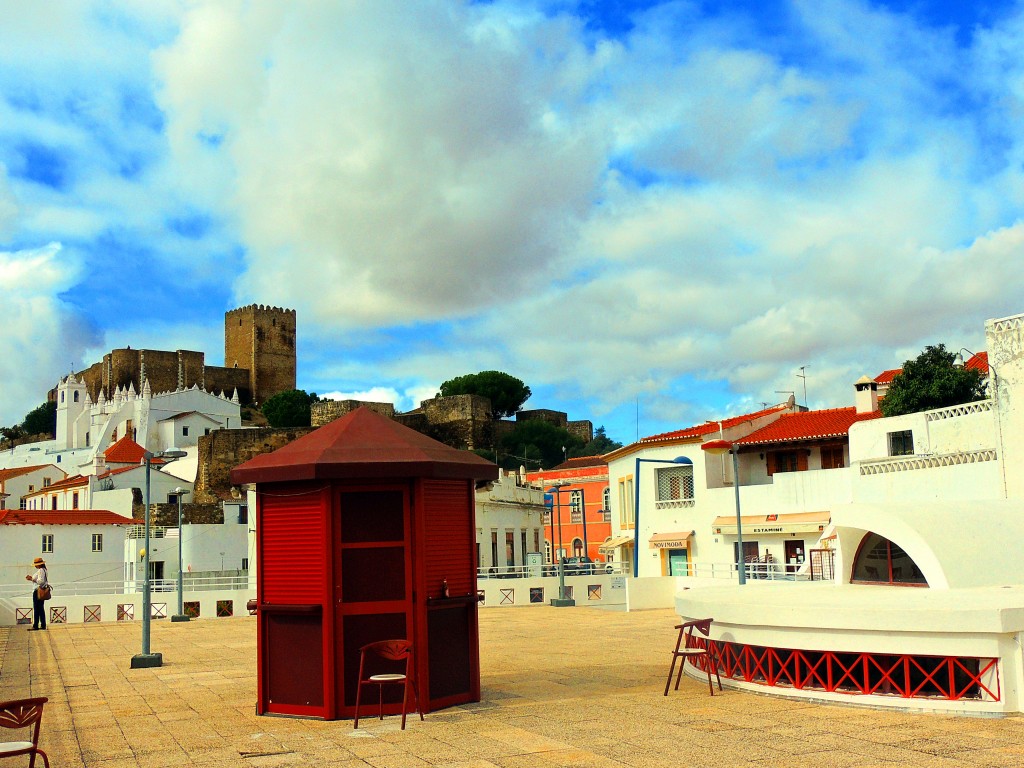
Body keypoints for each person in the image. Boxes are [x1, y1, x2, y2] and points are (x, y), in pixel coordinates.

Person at [25, 557, 48, 630]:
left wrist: (31, 579)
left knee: (37, 608)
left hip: (37, 591)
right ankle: (43, 624)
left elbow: (41, 581)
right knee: (41, 608)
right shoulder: (44, 570)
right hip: (41, 590)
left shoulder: (40, 570)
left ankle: (36, 625)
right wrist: (32, 578)